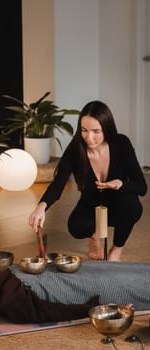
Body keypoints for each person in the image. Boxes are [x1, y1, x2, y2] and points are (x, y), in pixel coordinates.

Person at [29, 100, 147, 262]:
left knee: (132, 207)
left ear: (107, 128)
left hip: (118, 204)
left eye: (96, 131)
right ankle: (94, 238)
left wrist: (120, 184)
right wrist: (41, 207)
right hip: (90, 204)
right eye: (84, 130)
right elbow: (58, 184)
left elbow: (141, 187)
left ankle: (116, 250)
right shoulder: (76, 148)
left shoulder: (121, 144)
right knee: (76, 226)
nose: (89, 138)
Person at [0, 269, 100, 323]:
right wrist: (91, 310)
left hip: (73, 272)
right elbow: (52, 311)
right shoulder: (10, 303)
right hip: (83, 287)